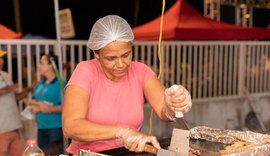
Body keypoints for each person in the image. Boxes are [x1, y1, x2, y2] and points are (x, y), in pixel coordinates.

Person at [62, 15, 192, 154]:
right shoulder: (85, 71)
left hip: (127, 152)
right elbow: (70, 127)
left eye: (126, 55)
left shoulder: (140, 71)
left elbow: (164, 111)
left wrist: (174, 104)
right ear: (96, 54)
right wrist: (121, 132)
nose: (120, 64)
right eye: (111, 58)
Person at [23, 53, 65, 151]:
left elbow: (66, 106)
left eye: (42, 63)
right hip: (41, 128)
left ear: (51, 65)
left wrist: (49, 109)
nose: (38, 66)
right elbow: (31, 101)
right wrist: (39, 106)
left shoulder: (60, 84)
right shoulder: (39, 84)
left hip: (55, 128)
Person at [0, 50, 34, 156]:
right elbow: (8, 91)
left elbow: (14, 97)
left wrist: (28, 89)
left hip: (14, 126)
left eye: (2, 58)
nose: (1, 61)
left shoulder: (5, 75)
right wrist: (8, 89)